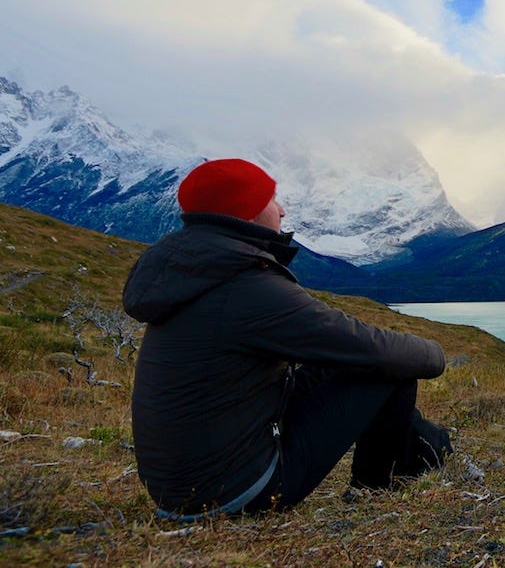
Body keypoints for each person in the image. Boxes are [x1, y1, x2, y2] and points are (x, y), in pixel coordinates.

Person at [123, 158, 450, 520]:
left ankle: (409, 454)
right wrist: (436, 353)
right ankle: (377, 487)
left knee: (365, 359)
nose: (281, 210)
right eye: (271, 199)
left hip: (182, 490)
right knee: (391, 363)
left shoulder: (197, 272)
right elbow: (373, 348)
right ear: (244, 212)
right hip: (234, 494)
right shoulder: (246, 286)